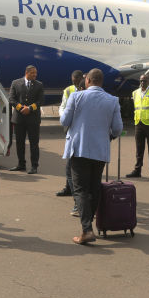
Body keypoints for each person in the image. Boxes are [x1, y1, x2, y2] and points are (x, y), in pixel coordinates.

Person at [60, 68, 123, 244]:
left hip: (79, 149)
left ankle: (87, 230)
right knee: (94, 188)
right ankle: (89, 225)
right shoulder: (112, 100)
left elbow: (64, 121)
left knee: (80, 190)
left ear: (87, 80)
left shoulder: (76, 96)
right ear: (101, 82)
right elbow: (117, 129)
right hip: (100, 151)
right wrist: (106, 137)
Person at [126, 74, 149, 181]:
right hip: (139, 123)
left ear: (148, 82)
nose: (143, 83)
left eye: (145, 81)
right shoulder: (135, 93)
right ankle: (137, 170)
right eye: (141, 81)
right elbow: (136, 107)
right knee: (139, 149)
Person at [8, 65, 44, 174]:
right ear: (27, 73)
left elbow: (41, 101)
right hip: (19, 119)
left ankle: (34, 166)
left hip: (33, 119)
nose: (35, 75)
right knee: (20, 143)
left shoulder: (39, 85)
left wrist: (30, 108)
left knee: (34, 143)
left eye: (36, 73)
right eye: (33, 73)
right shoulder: (16, 83)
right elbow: (11, 99)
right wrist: (20, 108)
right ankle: (21, 164)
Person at [56, 70, 84, 205]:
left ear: (81, 78)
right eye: (73, 79)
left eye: (76, 79)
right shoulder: (68, 90)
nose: (74, 81)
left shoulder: (86, 90)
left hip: (80, 129)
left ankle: (76, 195)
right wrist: (64, 118)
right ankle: (68, 188)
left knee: (74, 162)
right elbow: (62, 106)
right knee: (69, 158)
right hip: (70, 126)